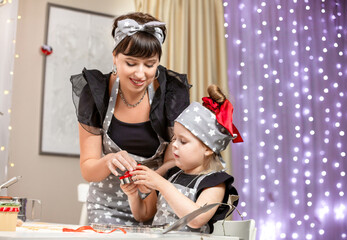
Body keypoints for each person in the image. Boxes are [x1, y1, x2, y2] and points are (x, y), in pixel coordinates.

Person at [70, 12, 191, 225]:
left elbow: (176, 161)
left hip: (160, 205)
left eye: (150, 64)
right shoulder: (97, 92)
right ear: (115, 57)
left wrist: (153, 177)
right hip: (107, 207)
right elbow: (88, 169)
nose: (140, 74)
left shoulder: (171, 93)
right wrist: (108, 161)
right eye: (131, 63)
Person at [121, 85, 243, 233]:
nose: (175, 146)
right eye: (174, 139)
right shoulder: (172, 174)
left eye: (183, 141)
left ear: (208, 149)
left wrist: (161, 184)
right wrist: (133, 195)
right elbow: (143, 215)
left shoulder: (215, 183)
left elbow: (196, 219)